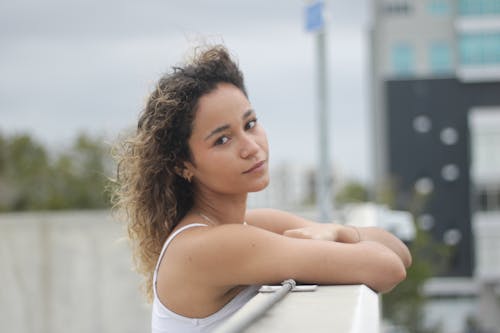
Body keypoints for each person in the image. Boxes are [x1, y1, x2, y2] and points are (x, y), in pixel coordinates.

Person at [112, 44, 411, 333]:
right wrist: (338, 233)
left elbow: (399, 253)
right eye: (222, 140)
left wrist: (335, 232)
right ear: (182, 166)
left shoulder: (250, 225)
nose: (251, 147)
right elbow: (386, 267)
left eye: (250, 123)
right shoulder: (208, 245)